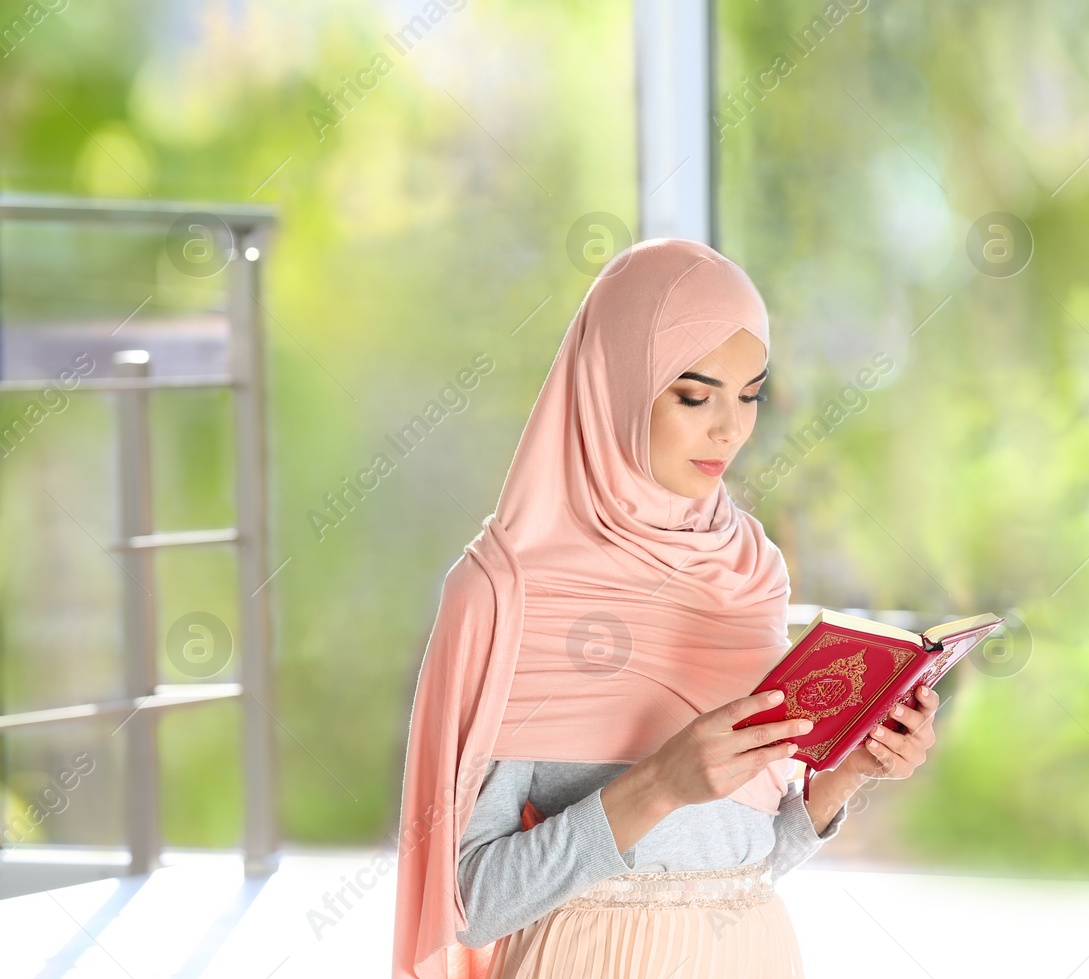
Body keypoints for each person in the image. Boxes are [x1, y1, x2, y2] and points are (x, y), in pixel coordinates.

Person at [391, 238, 942, 979]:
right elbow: (469, 900)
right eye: (694, 395)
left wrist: (845, 776)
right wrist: (656, 785)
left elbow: (742, 859)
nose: (730, 428)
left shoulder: (749, 573)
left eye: (749, 394)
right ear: (613, 383)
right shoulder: (506, 588)